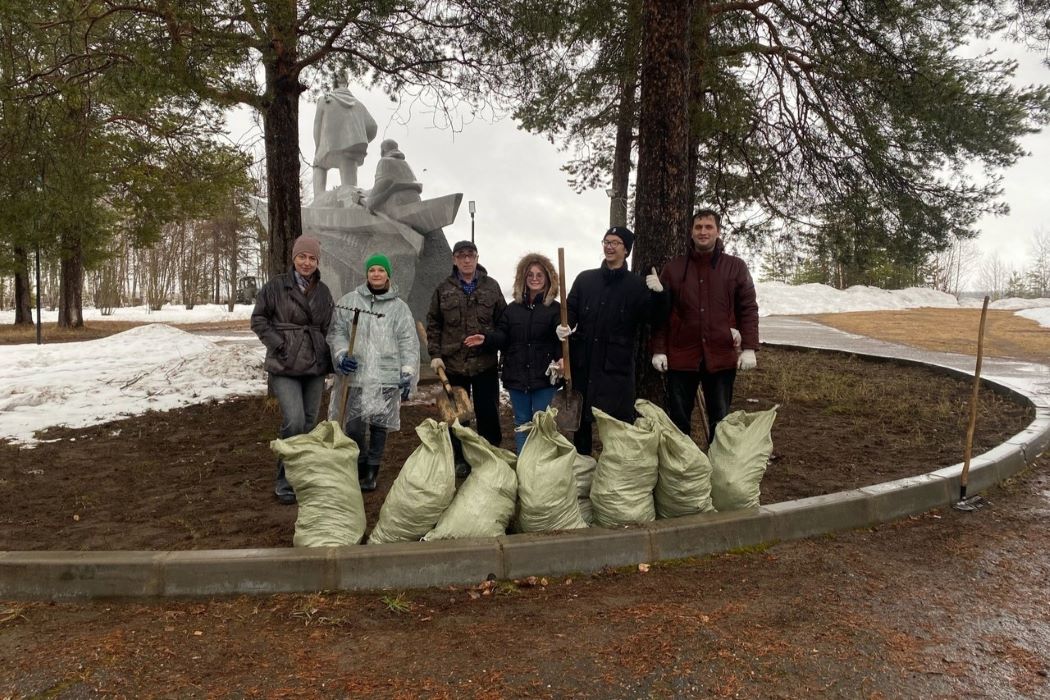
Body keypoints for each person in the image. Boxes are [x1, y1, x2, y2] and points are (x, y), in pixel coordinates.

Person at [650, 208, 759, 441]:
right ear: (691, 232)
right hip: (681, 356)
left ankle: (718, 469)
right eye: (698, 227)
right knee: (679, 420)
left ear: (718, 232)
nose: (703, 232)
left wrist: (749, 347)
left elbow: (748, 308)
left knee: (720, 418)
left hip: (720, 355)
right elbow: (661, 314)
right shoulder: (674, 268)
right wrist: (659, 349)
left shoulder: (735, 267)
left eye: (708, 227)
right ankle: (682, 469)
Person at [560, 226, 669, 455]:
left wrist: (659, 296)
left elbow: (655, 318)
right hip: (585, 361)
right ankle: (583, 466)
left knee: (617, 421)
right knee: (581, 420)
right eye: (606, 242)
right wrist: (564, 325)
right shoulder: (585, 279)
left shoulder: (636, 285)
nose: (609, 246)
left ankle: (615, 469)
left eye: (615, 243)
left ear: (626, 250)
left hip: (615, 365)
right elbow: (570, 309)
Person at [250, 235, 335, 504]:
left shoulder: (323, 292)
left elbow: (329, 327)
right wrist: (279, 344)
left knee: (309, 423)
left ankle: (303, 477)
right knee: (294, 421)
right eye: (302, 257)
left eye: (312, 258)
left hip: (314, 364)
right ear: (294, 258)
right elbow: (258, 319)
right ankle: (284, 478)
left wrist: (331, 358)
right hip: (285, 364)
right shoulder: (276, 286)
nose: (307, 263)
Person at [326, 253, 419, 492]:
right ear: (366, 274)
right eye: (372, 270)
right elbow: (337, 333)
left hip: (386, 374)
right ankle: (361, 461)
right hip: (356, 374)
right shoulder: (350, 301)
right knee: (354, 425)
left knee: (379, 424)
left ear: (388, 274)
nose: (376, 274)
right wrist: (340, 356)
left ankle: (372, 471)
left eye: (380, 270)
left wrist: (407, 371)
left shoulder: (399, 308)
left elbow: (408, 341)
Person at [464, 253, 562, 454]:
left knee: (543, 422)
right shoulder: (513, 309)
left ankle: (543, 467)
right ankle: (523, 464)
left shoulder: (556, 309)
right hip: (517, 375)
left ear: (548, 279)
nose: (534, 279)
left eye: (539, 275)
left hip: (545, 377)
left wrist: (562, 356)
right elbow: (502, 335)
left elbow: (562, 341)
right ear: (523, 279)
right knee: (521, 421)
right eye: (530, 275)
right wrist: (487, 339)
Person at [426, 240, 507, 475]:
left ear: (477, 258)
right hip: (453, 365)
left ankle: (490, 453)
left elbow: (503, 323)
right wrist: (435, 355)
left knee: (488, 413)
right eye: (461, 256)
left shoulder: (491, 287)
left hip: (485, 364)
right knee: (457, 416)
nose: (466, 260)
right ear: (454, 260)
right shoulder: (443, 289)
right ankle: (460, 457)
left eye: (470, 255)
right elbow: (433, 324)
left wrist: (491, 340)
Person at [312, 73, 378, 198]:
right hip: (352, 150)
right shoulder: (359, 105)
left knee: (318, 165)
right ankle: (351, 200)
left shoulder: (324, 100)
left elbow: (317, 126)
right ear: (346, 84)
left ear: (334, 85)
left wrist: (317, 147)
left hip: (328, 148)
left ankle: (319, 196)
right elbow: (372, 127)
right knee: (350, 187)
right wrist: (361, 139)